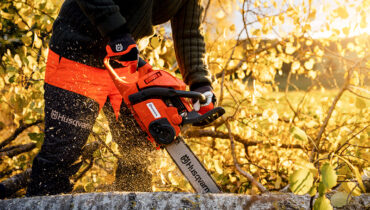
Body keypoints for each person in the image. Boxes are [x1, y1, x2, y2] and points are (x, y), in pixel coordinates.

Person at [26, 0, 216, 196]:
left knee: (139, 149)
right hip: (79, 49)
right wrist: (116, 32)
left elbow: (189, 32)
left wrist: (200, 82)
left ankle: (132, 202)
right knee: (62, 152)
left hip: (125, 61)